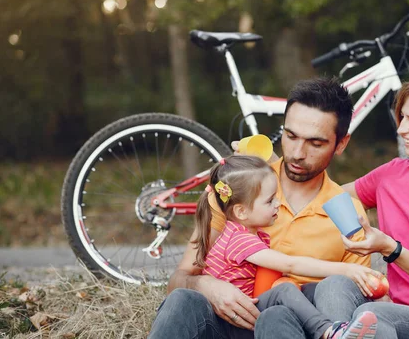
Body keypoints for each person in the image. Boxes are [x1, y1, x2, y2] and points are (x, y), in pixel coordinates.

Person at [259, 70, 409, 339]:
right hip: (398, 317)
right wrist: (260, 177)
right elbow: (320, 194)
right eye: (401, 119)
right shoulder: (391, 176)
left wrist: (391, 248)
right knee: (335, 285)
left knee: (378, 316)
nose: (401, 130)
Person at [148, 77, 373, 339]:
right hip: (222, 325)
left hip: (289, 328)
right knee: (183, 300)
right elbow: (179, 279)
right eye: (290, 136)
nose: (297, 153)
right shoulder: (240, 189)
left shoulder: (349, 214)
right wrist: (205, 285)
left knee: (277, 316)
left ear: (341, 144)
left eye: (315, 143)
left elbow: (354, 295)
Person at [189, 155, 379, 339]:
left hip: (247, 307)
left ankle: (341, 326)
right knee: (285, 290)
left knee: (312, 289)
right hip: (233, 321)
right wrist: (346, 269)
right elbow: (290, 264)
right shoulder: (239, 239)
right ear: (241, 211)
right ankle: (329, 332)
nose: (278, 204)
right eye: (270, 200)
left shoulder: (252, 233)